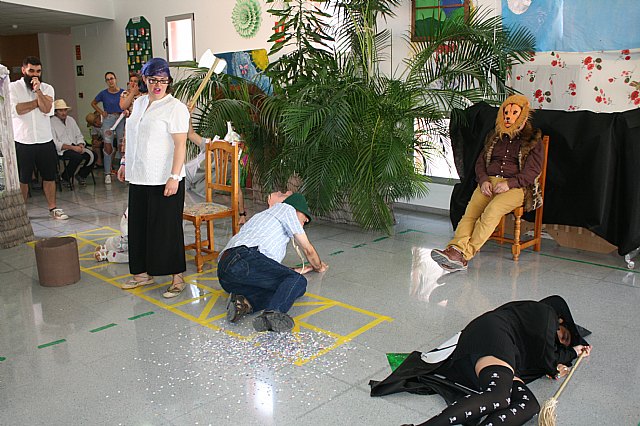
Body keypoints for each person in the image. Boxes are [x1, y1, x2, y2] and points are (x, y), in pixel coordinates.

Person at [370, 295, 592, 426]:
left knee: (529, 406)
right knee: (499, 396)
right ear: (561, 319)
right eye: (562, 335)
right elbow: (548, 354)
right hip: (493, 334)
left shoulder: (534, 327)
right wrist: (571, 352)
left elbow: (545, 357)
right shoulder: (546, 313)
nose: (558, 340)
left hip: (507, 353)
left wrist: (561, 357)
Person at [431, 94, 544, 271]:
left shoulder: (533, 139)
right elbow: (481, 162)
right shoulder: (495, 136)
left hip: (516, 187)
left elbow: (532, 171)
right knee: (470, 213)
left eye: (514, 113)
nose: (509, 116)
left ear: (522, 116)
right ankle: (454, 249)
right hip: (489, 182)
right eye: (506, 112)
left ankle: (464, 255)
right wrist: (483, 180)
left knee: (492, 211)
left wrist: (510, 183)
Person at [116, 57, 190, 299]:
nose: (158, 85)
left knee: (166, 229)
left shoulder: (175, 107)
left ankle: (177, 277)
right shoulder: (138, 104)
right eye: (153, 80)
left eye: (163, 80)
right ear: (144, 80)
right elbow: (131, 136)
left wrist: (174, 177)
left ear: (168, 82)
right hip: (139, 175)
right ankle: (142, 274)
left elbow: (181, 146)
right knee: (138, 226)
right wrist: (125, 162)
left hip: (164, 178)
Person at [217, 192, 328, 333]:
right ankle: (273, 313)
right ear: (296, 209)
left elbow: (267, 269)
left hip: (226, 273)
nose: (305, 221)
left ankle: (243, 303)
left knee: (287, 287)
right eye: (305, 216)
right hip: (243, 257)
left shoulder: (263, 216)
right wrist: (318, 267)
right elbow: (308, 249)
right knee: (299, 282)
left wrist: (293, 271)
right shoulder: (287, 209)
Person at [9, 56, 68, 220]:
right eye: (31, 71)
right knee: (24, 179)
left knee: (49, 176)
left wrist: (38, 92)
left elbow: (47, 109)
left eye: (38, 71)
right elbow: (17, 110)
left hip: (44, 140)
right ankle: (21, 213)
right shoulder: (13, 88)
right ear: (23, 70)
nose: (35, 75)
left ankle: (53, 208)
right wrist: (37, 103)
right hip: (23, 140)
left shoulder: (47, 88)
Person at [50, 99, 94, 186]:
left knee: (93, 155)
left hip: (75, 146)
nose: (63, 113)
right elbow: (55, 142)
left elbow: (79, 135)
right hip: (63, 149)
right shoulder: (51, 122)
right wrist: (72, 148)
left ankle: (81, 175)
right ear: (55, 112)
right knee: (77, 157)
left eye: (65, 110)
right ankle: (65, 178)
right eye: (60, 110)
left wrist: (81, 144)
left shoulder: (71, 120)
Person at [91, 71, 125, 183]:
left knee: (122, 145)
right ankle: (107, 173)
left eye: (112, 78)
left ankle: (124, 171)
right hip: (108, 119)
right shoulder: (103, 93)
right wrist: (101, 112)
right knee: (107, 146)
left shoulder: (122, 92)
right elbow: (93, 103)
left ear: (116, 79)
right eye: (108, 79)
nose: (110, 81)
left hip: (121, 119)